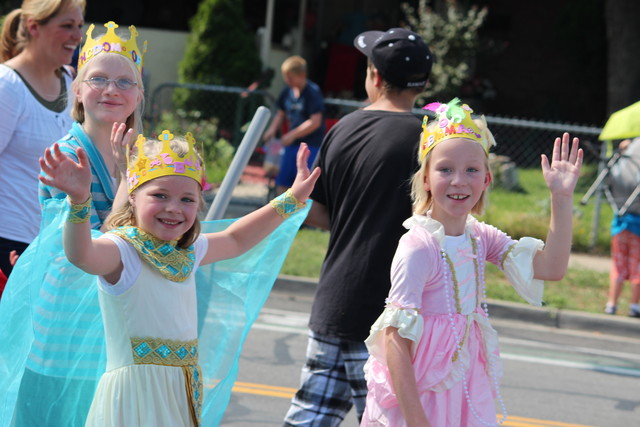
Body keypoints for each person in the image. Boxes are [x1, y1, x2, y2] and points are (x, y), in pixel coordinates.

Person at [34, 130, 319, 426]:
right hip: (133, 402)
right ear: (132, 196)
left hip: (179, 396)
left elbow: (236, 239)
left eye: (187, 199)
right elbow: (81, 254)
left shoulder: (189, 250)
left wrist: (292, 198)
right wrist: (79, 202)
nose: (174, 208)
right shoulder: (123, 249)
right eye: (159, 195)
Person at [360, 99, 583, 426]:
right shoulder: (419, 247)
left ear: (487, 180)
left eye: (472, 170)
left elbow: (551, 268)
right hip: (422, 394)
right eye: (445, 169)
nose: (459, 181)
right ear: (425, 179)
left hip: (465, 390)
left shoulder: (480, 237)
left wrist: (561, 199)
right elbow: (394, 340)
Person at [284, 28, 433, 425]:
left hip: (336, 300)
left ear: (375, 77)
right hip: (391, 315)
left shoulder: (343, 129)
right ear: (425, 82)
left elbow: (317, 212)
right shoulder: (430, 141)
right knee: (389, 418)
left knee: (310, 417)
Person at [4, 21, 147, 426]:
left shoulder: (147, 158)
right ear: (78, 91)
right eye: (97, 78)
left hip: (120, 320)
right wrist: (123, 181)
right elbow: (93, 246)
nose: (111, 89)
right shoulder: (64, 155)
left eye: (124, 81)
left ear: (138, 95)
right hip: (66, 324)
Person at [0, 0, 85, 278]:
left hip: (53, 248)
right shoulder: (7, 85)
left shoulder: (70, 82)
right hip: (9, 245)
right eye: (67, 26)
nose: (77, 36)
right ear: (34, 27)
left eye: (79, 26)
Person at [262, 55, 325, 195]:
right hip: (291, 146)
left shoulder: (312, 92)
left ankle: (301, 216)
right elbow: (281, 113)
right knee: (282, 182)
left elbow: (315, 121)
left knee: (304, 186)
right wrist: (271, 129)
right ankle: (280, 214)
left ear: (302, 75)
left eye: (290, 77)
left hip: (310, 146)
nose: (287, 81)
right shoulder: (287, 91)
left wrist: (292, 134)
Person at [604, 136, 640, 318]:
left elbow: (609, 179)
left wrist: (619, 152)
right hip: (636, 224)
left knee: (618, 266)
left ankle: (612, 304)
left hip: (620, 221)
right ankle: (634, 306)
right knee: (637, 267)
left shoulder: (627, 153)